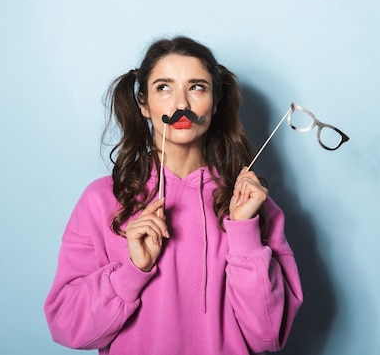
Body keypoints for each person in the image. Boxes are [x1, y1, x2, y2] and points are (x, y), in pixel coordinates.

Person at [44, 36, 303, 355]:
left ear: (216, 102)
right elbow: (68, 327)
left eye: (197, 87)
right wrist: (132, 272)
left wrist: (244, 232)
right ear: (143, 104)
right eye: (164, 87)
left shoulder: (251, 205)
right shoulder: (101, 201)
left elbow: (268, 336)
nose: (181, 104)